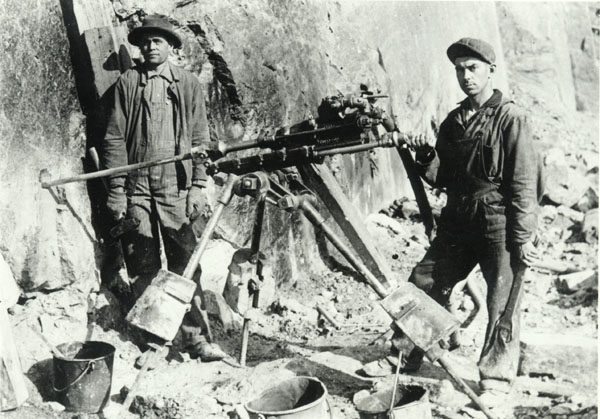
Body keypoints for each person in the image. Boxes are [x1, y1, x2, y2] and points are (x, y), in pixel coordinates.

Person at [362, 38, 542, 405]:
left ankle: (495, 376)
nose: (466, 76)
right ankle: (402, 353)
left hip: (498, 220)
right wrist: (426, 154)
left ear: (491, 70)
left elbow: (525, 183)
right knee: (425, 280)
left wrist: (523, 238)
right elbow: (442, 176)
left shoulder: (512, 118)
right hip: (459, 218)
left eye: (473, 68)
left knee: (501, 299)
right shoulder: (455, 120)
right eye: (459, 69)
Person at [102, 15, 226, 364]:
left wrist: (198, 185)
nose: (151, 46)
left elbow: (201, 138)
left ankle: (196, 340)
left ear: (172, 47)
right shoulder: (128, 82)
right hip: (137, 188)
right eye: (145, 41)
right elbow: (113, 137)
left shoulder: (187, 84)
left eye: (158, 41)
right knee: (143, 263)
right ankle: (155, 341)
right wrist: (116, 189)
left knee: (186, 265)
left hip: (177, 186)